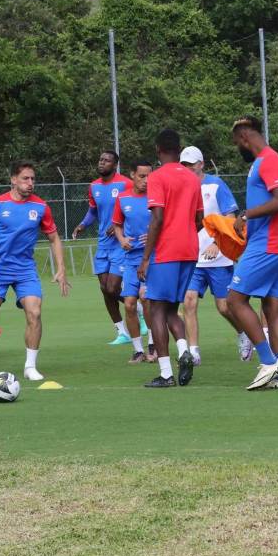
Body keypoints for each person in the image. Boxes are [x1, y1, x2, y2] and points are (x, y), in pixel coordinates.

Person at [0, 160, 69, 383]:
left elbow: (54, 238)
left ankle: (30, 367)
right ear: (13, 180)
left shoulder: (40, 207)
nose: (30, 183)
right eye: (25, 178)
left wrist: (61, 269)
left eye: (33, 179)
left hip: (25, 269)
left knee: (34, 313)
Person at [226, 116, 278, 390]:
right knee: (272, 304)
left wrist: (246, 215)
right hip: (276, 242)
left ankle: (268, 363)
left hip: (271, 243)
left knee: (235, 300)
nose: (237, 148)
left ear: (245, 137)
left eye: (236, 143)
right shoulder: (263, 162)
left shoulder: (269, 160)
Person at [137, 129, 203, 388]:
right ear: (179, 149)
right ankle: (185, 351)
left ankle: (165, 373)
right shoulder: (192, 178)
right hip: (190, 250)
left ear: (158, 150)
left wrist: (145, 259)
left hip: (167, 251)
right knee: (171, 309)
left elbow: (157, 218)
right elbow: (199, 220)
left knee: (155, 308)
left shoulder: (157, 177)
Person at [179, 145, 250, 364]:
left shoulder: (216, 184)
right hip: (192, 257)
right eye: (184, 165)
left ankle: (243, 334)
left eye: (191, 164)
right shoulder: (182, 187)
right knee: (188, 301)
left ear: (201, 164)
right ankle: (194, 351)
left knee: (224, 307)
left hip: (218, 258)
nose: (187, 168)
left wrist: (218, 245)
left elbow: (230, 218)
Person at [72, 151, 135, 345]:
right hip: (103, 244)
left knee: (112, 286)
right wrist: (82, 224)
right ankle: (121, 332)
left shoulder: (126, 184)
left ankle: (139, 310)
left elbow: (135, 208)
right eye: (100, 159)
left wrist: (120, 226)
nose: (102, 162)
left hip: (121, 243)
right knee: (104, 289)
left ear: (115, 165)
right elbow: (93, 211)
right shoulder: (94, 186)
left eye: (107, 160)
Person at [112, 161, 155, 364]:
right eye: (142, 176)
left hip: (152, 257)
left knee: (146, 298)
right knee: (129, 304)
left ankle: (154, 345)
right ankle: (138, 350)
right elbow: (117, 225)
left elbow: (165, 222)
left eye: (149, 176)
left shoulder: (156, 197)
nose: (146, 180)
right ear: (132, 175)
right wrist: (121, 240)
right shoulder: (123, 199)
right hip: (130, 259)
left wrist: (155, 236)